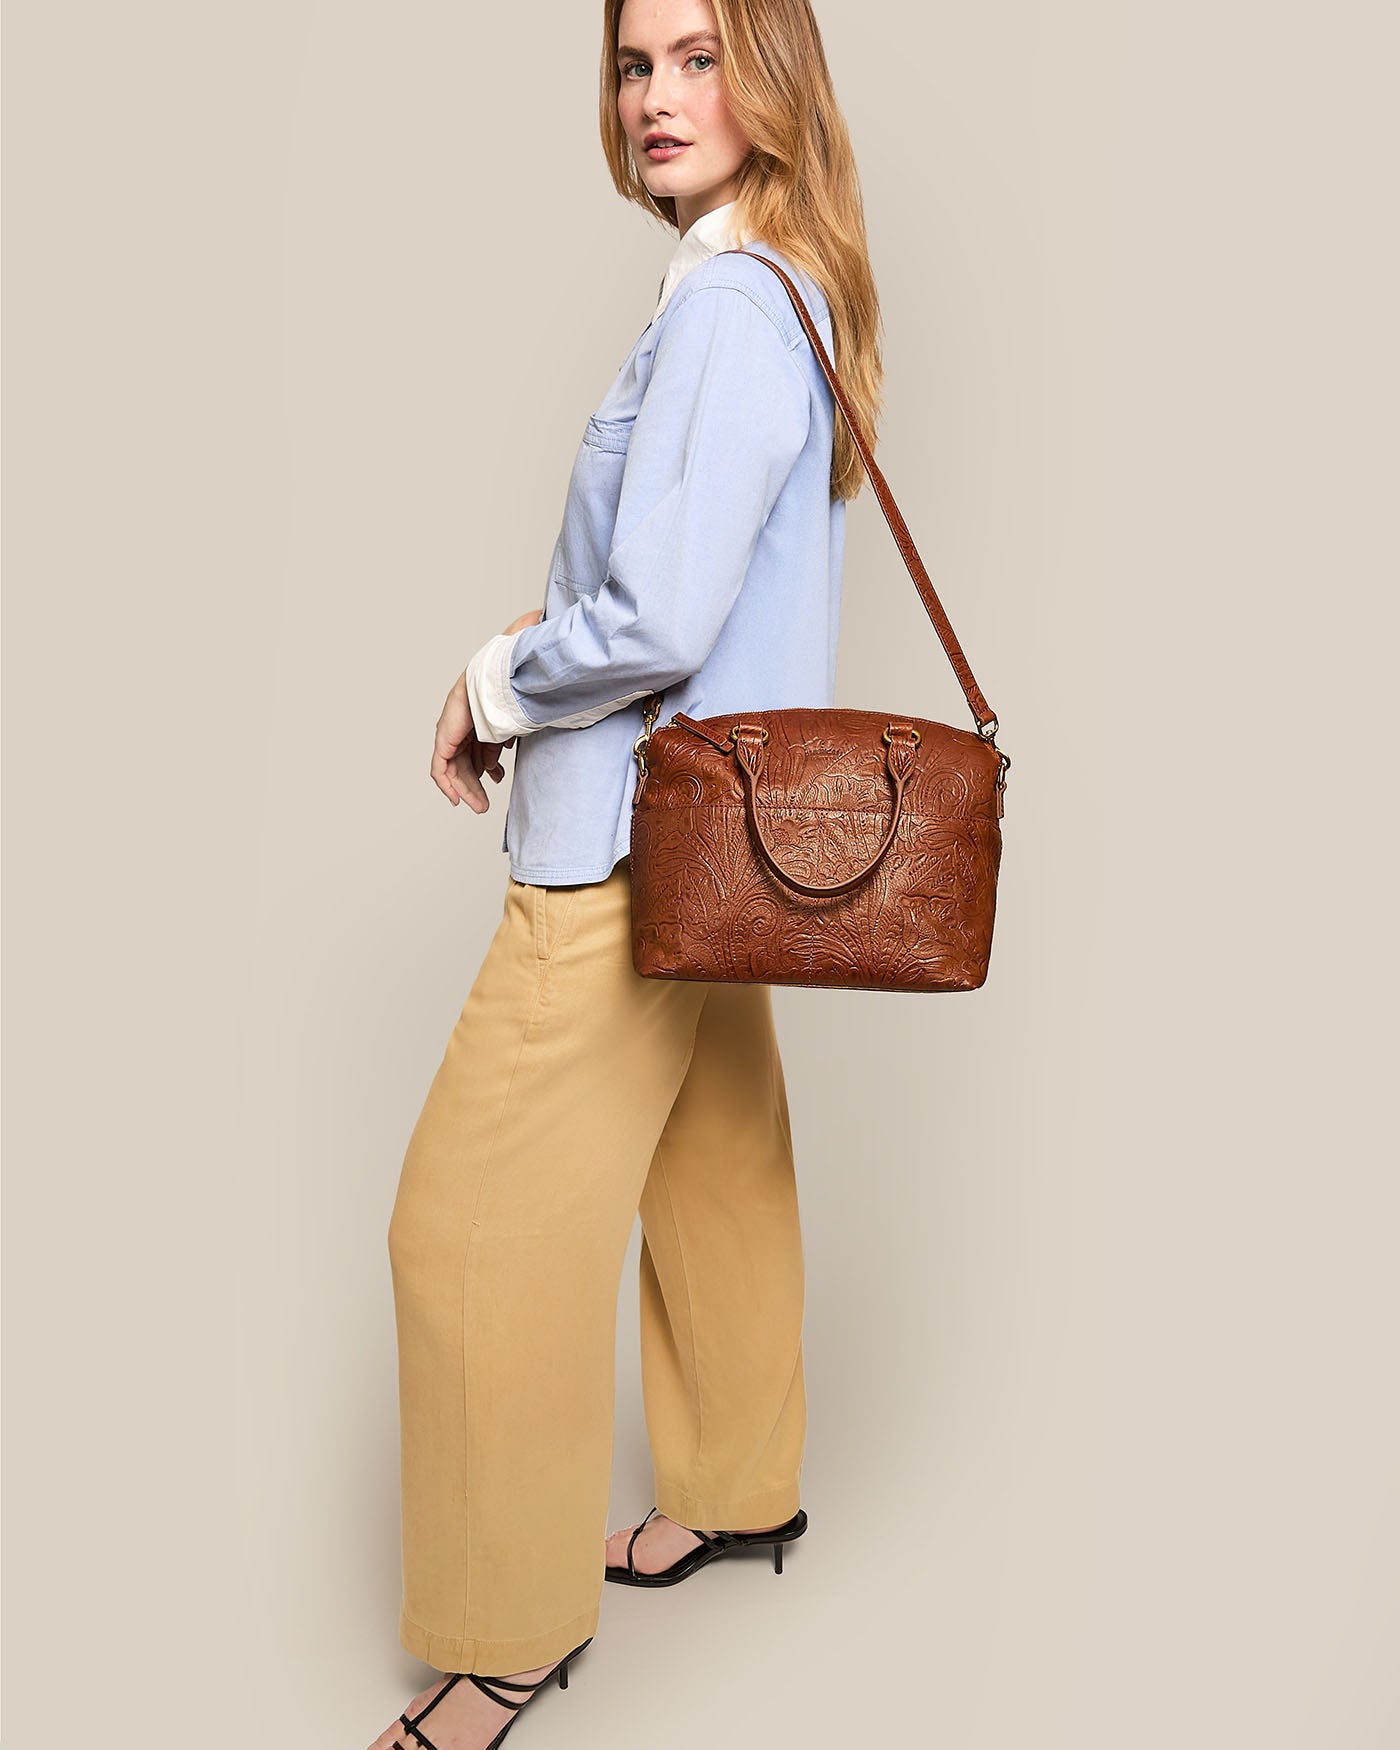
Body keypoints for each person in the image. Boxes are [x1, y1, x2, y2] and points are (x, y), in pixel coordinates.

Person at [369, 1, 883, 1744]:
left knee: (460, 1230)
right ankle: (741, 1481)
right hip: (719, 838)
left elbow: (660, 613)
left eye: (697, 56)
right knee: (718, 1149)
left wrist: (493, 680)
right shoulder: (780, 289)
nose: (657, 97)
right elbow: (698, 599)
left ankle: (505, 1631)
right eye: (631, 64)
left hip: (627, 838)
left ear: (776, 75)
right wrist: (564, 632)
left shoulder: (734, 309)